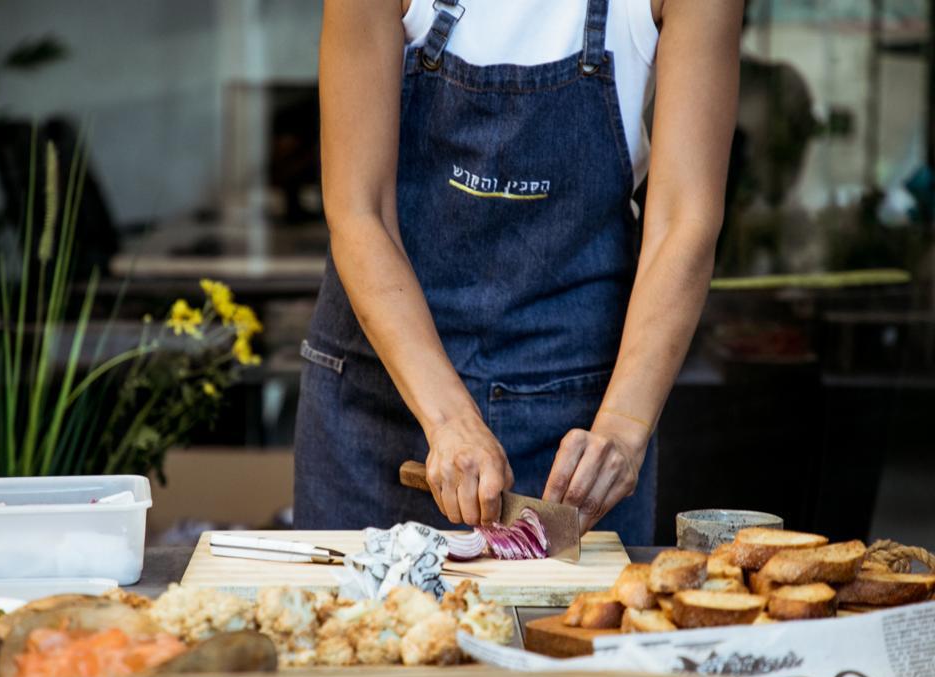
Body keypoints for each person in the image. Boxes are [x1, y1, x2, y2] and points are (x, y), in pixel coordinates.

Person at [294, 0, 742, 545]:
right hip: (380, 401)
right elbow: (360, 213)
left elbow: (684, 221)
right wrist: (448, 421)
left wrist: (624, 429)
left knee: (571, 629)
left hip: (578, 424)